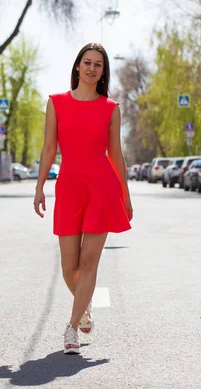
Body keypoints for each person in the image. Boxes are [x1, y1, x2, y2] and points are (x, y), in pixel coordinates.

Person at [33, 43, 133, 354]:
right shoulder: (56, 103)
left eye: (98, 65)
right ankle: (84, 306)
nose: (92, 68)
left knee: (89, 262)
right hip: (69, 188)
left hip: (102, 189)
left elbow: (116, 155)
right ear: (78, 66)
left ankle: (71, 327)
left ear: (103, 72)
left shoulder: (110, 108)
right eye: (87, 62)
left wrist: (125, 196)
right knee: (69, 265)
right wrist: (39, 187)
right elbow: (49, 149)